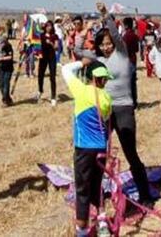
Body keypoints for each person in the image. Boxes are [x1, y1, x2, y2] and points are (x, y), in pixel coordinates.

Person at [77, 14, 153, 205]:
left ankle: (145, 196)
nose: (106, 47)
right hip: (104, 111)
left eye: (108, 43)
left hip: (124, 109)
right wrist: (84, 30)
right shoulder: (98, 60)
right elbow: (77, 49)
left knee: (130, 153)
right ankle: (97, 196)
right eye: (102, 44)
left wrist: (104, 16)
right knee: (98, 153)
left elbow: (116, 36)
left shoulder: (122, 54)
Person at [61, 58, 112, 237]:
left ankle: (82, 230)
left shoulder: (81, 90)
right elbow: (107, 122)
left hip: (84, 148)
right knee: (98, 186)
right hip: (101, 149)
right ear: (102, 79)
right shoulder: (106, 98)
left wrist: (82, 63)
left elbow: (66, 70)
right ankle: (103, 222)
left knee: (82, 190)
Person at [36, 20, 60, 106]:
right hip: (43, 58)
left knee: (52, 77)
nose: (49, 28)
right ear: (45, 27)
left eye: (50, 26)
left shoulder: (55, 36)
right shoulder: (41, 35)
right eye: (47, 26)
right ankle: (40, 91)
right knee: (40, 75)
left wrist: (51, 43)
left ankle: (53, 97)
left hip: (51, 58)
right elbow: (36, 44)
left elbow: (57, 48)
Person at [0, 40, 15, 106]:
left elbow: (10, 57)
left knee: (6, 84)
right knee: (0, 84)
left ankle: (5, 100)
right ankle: (8, 99)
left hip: (8, 68)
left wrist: (2, 58)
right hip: (1, 68)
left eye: (0, 42)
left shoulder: (8, 47)